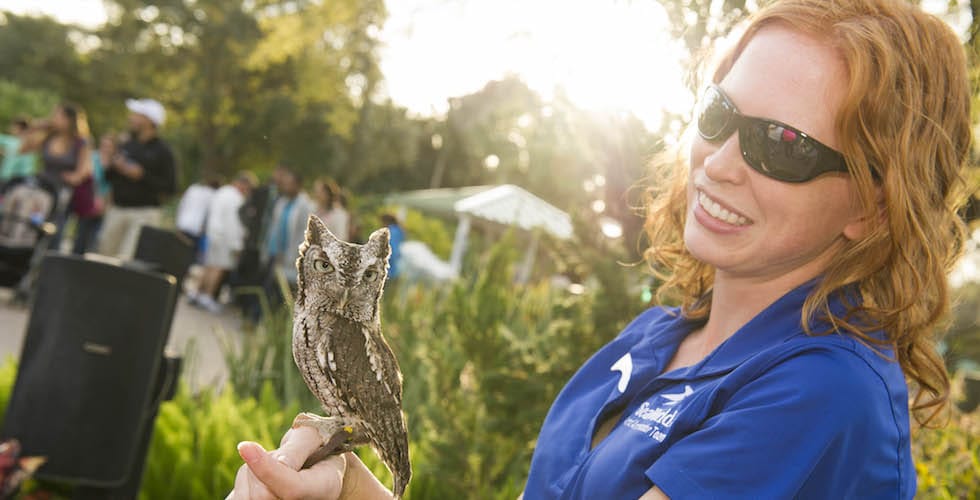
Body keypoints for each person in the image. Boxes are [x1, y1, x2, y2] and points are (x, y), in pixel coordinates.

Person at [227, 0, 970, 498]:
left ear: (875, 206)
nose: (718, 162)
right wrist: (352, 491)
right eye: (719, 113)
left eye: (783, 145)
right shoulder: (662, 333)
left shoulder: (822, 393)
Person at [99, 98, 177, 260]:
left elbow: (169, 187)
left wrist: (142, 176)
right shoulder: (127, 145)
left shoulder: (163, 152)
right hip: (117, 209)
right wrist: (112, 165)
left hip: (144, 213)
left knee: (126, 258)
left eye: (137, 115)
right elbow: (109, 178)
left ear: (149, 120)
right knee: (104, 255)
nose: (131, 118)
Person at [18, 103, 93, 251]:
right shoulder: (49, 136)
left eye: (58, 115)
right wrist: (34, 128)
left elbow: (83, 171)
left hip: (62, 191)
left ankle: (48, 261)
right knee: (30, 224)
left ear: (69, 120)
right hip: (42, 188)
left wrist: (71, 176)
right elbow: (23, 149)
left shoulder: (80, 142)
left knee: (55, 230)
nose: (53, 118)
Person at [192, 172, 257, 313]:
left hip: (213, 234)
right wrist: (237, 244)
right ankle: (208, 296)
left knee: (209, 265)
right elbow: (234, 224)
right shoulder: (236, 199)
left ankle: (197, 293)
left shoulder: (222, 192)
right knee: (218, 268)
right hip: (224, 238)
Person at [263, 168, 315, 301]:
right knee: (268, 289)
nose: (285, 186)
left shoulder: (306, 206)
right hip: (274, 252)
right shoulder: (282, 202)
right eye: (284, 183)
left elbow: (304, 234)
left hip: (291, 255)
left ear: (298, 185)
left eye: (289, 184)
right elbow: (274, 226)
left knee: (284, 294)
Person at [71, 132, 117, 254]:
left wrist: (107, 203)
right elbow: (90, 178)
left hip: (106, 204)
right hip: (89, 200)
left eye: (109, 146)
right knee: (81, 235)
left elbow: (114, 185)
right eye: (104, 145)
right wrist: (96, 198)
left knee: (96, 238)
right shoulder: (93, 157)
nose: (106, 148)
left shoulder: (115, 163)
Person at [175, 173, 221, 260]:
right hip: (196, 231)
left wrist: (177, 223)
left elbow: (181, 206)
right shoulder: (213, 195)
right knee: (189, 259)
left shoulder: (192, 189)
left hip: (182, 225)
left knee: (177, 255)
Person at [0, 117, 36, 182]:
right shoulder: (26, 144)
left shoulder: (14, 141)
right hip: (23, 180)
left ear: (18, 128)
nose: (11, 129)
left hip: (14, 180)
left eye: (13, 127)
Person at [380, 213, 404, 281]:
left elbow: (391, 248)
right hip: (396, 267)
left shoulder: (390, 232)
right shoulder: (399, 231)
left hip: (389, 267)